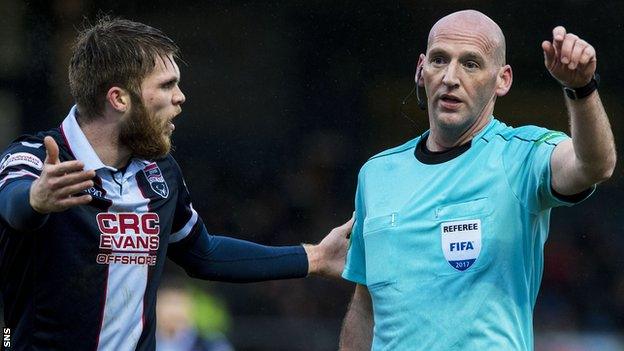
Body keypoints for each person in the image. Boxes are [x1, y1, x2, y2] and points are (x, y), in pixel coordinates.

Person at [0, 18, 352, 351]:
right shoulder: (37, 157)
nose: (181, 97)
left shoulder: (159, 173)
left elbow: (204, 254)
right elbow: (13, 206)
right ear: (119, 98)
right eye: (167, 85)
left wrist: (316, 257)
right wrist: (36, 199)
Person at [339, 9, 616, 351]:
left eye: (470, 63)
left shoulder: (522, 157)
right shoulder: (376, 174)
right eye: (440, 60)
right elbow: (365, 305)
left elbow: (595, 166)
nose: (450, 77)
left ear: (503, 79)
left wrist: (581, 89)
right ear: (420, 70)